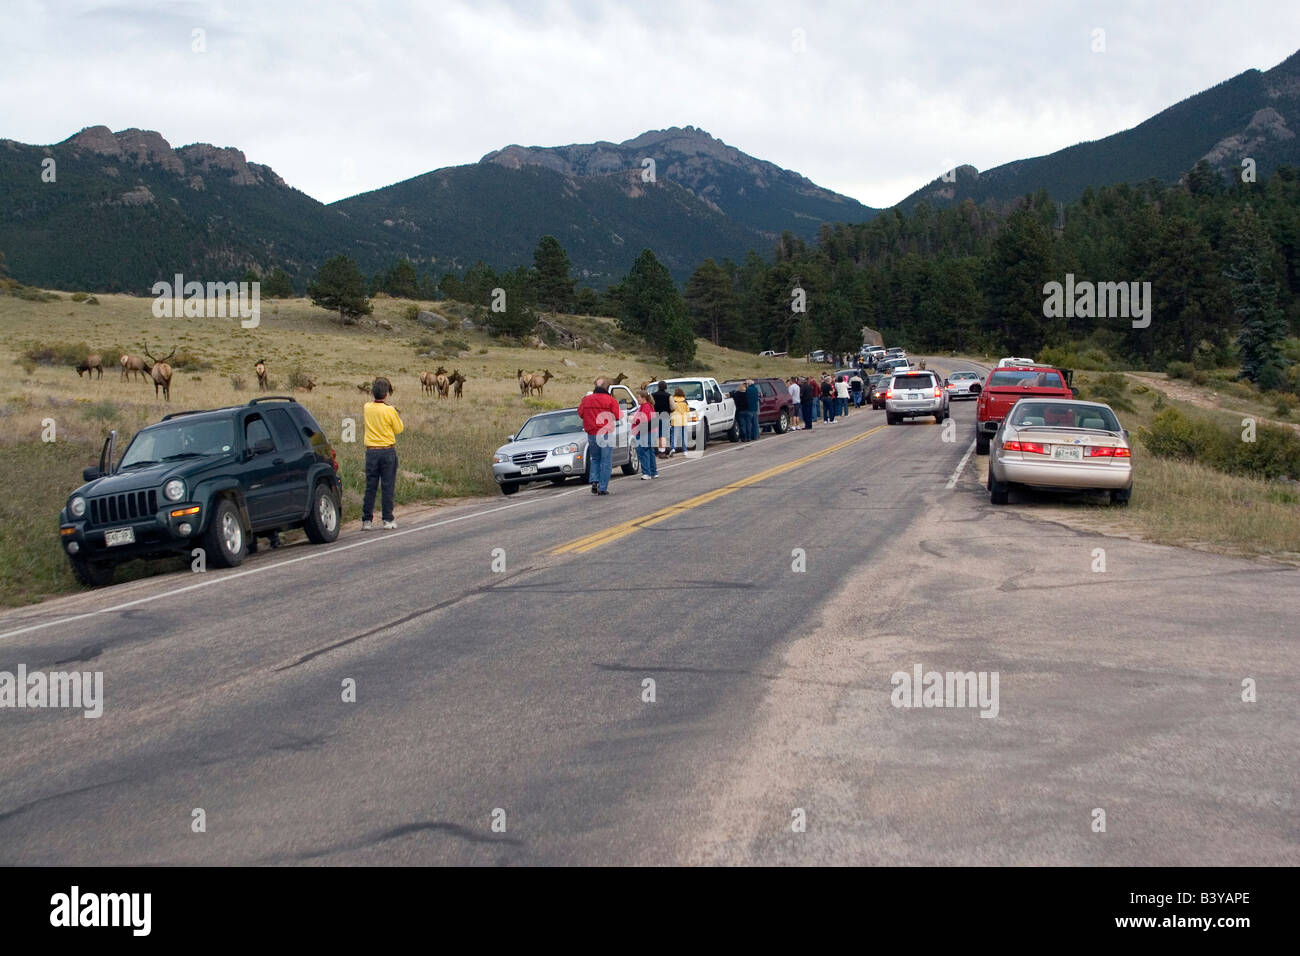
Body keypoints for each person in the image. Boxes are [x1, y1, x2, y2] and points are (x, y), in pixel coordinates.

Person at [362, 378, 404, 529]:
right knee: (387, 486)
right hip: (387, 451)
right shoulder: (389, 410)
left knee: (370, 486)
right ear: (386, 394)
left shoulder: (367, 407)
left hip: (371, 452)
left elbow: (372, 405)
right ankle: (387, 519)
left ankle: (366, 520)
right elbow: (399, 429)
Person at [578, 377, 623, 495]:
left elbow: (580, 413)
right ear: (607, 388)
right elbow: (618, 416)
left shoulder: (586, 400)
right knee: (606, 460)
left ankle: (594, 480)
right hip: (605, 433)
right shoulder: (610, 400)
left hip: (592, 433)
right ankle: (602, 487)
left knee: (596, 459)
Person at [631, 390, 660, 479]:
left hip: (645, 432)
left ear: (643, 398)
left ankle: (647, 473)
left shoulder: (645, 406)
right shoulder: (648, 406)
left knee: (643, 452)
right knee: (649, 451)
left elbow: (644, 419)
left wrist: (634, 420)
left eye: (638, 397)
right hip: (649, 431)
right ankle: (653, 471)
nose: (637, 399)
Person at [652, 379, 672, 457]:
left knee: (656, 433)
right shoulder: (668, 395)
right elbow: (673, 407)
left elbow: (651, 404)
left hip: (655, 415)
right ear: (666, 387)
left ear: (658, 387)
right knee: (663, 434)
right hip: (665, 415)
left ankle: (655, 449)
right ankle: (662, 451)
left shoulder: (652, 395)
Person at [669, 387, 689, 456]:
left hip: (675, 420)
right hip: (683, 420)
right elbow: (687, 410)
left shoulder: (673, 400)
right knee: (684, 436)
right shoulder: (685, 401)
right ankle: (685, 450)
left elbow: (671, 409)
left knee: (674, 436)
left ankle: (672, 448)